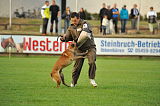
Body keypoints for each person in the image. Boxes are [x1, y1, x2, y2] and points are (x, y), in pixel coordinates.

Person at [60, 12, 97, 87]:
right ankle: (73, 83)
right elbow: (68, 37)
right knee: (77, 67)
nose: (73, 22)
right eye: (72, 21)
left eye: (75, 20)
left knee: (92, 62)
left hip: (90, 47)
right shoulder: (70, 27)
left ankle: (92, 78)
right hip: (79, 49)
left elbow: (86, 33)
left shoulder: (85, 23)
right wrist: (63, 38)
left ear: (78, 18)